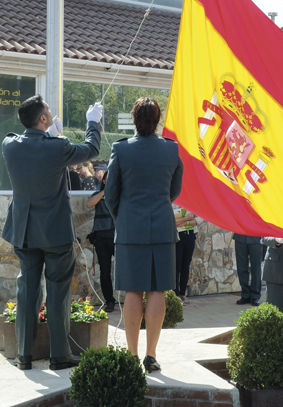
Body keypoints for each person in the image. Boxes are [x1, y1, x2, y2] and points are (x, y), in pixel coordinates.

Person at [1, 95, 102, 371]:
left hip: (24, 231)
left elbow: (33, 149)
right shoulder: (58, 148)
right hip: (55, 233)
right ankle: (60, 355)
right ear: (43, 119)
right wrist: (93, 122)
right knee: (57, 293)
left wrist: (53, 137)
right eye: (48, 110)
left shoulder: (9, 145)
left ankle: (23, 355)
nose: (50, 112)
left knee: (27, 290)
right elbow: (92, 149)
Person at [105, 97, 183, 373]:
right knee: (157, 289)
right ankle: (151, 355)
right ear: (158, 119)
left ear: (134, 119)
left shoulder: (121, 149)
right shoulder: (171, 150)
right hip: (162, 226)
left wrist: (123, 217)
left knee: (133, 289)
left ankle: (131, 355)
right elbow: (174, 191)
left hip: (130, 227)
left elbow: (111, 194)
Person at [86, 168, 116, 312]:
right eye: (108, 179)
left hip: (118, 238)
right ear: (103, 180)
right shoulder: (97, 194)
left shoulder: (121, 195)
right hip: (102, 239)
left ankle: (131, 299)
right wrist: (105, 191)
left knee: (126, 269)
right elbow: (89, 204)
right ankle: (109, 301)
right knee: (105, 272)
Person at [174, 204, 201, 304]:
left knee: (186, 265)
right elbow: (172, 221)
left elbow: (200, 219)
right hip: (177, 237)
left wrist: (186, 222)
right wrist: (188, 218)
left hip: (190, 236)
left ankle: (182, 294)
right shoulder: (173, 201)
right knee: (176, 266)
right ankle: (175, 294)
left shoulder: (192, 202)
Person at [233, 233, 265, 306]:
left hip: (256, 238)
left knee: (256, 269)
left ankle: (255, 296)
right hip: (240, 237)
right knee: (241, 268)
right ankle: (245, 294)